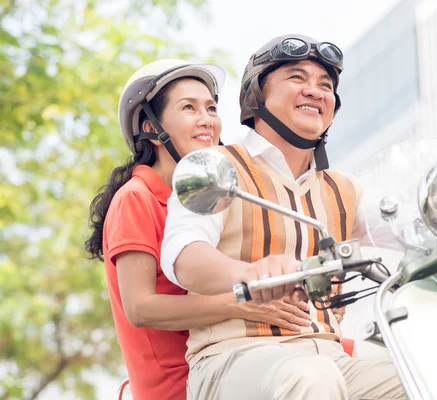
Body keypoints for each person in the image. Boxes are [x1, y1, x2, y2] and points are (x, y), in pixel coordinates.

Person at [161, 35, 437, 400]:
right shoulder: (216, 168)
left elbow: (421, 227)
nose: (315, 91)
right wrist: (248, 273)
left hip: (330, 356)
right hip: (233, 359)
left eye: (326, 85)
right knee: (313, 379)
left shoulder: (342, 189)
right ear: (256, 96)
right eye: (297, 78)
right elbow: (184, 256)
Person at [84, 59, 313, 399]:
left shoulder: (215, 198)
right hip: (182, 387)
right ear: (151, 126)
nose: (206, 119)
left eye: (211, 107)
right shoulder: (137, 197)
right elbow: (140, 308)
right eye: (189, 108)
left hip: (243, 363)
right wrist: (243, 303)